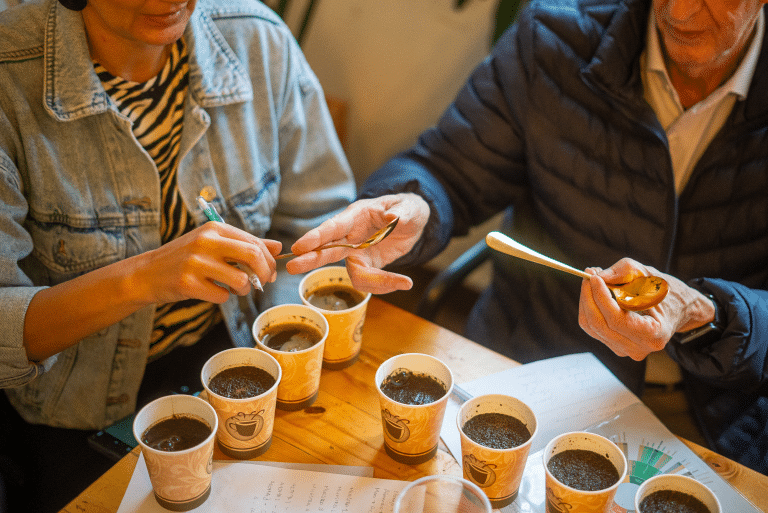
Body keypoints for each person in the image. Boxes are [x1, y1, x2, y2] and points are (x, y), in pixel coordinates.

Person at [285, 0, 768, 474]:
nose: (679, 13)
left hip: (715, 415)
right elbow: (449, 168)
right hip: (531, 371)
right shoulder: (555, 36)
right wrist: (416, 202)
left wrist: (708, 313)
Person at [0, 0, 354, 510]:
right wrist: (143, 277)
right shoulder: (11, 78)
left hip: (232, 349)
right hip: (75, 408)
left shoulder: (257, 41)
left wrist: (283, 345)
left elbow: (315, 219)